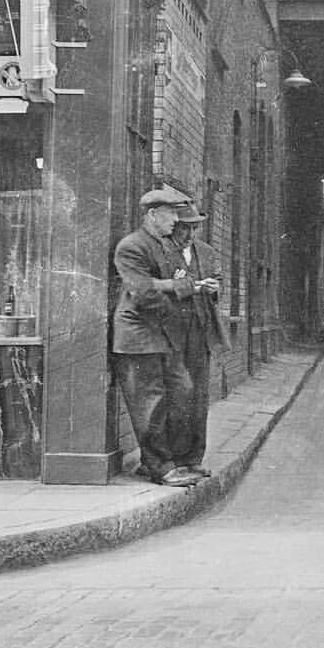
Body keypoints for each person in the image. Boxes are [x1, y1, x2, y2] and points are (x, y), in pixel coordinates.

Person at [111, 185, 205, 488]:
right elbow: (143, 293)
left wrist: (173, 286)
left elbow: (181, 283)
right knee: (150, 403)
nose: (176, 222)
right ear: (152, 215)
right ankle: (160, 467)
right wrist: (175, 288)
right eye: (170, 216)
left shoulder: (163, 246)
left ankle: (174, 460)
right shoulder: (132, 246)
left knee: (184, 392)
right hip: (138, 337)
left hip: (161, 335)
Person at [168, 200, 228, 479]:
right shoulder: (164, 251)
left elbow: (217, 284)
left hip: (201, 331)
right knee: (177, 394)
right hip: (171, 332)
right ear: (174, 227)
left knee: (199, 396)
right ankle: (172, 459)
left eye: (193, 228)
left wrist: (214, 288)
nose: (189, 234)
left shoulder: (206, 252)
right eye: (184, 228)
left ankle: (194, 458)